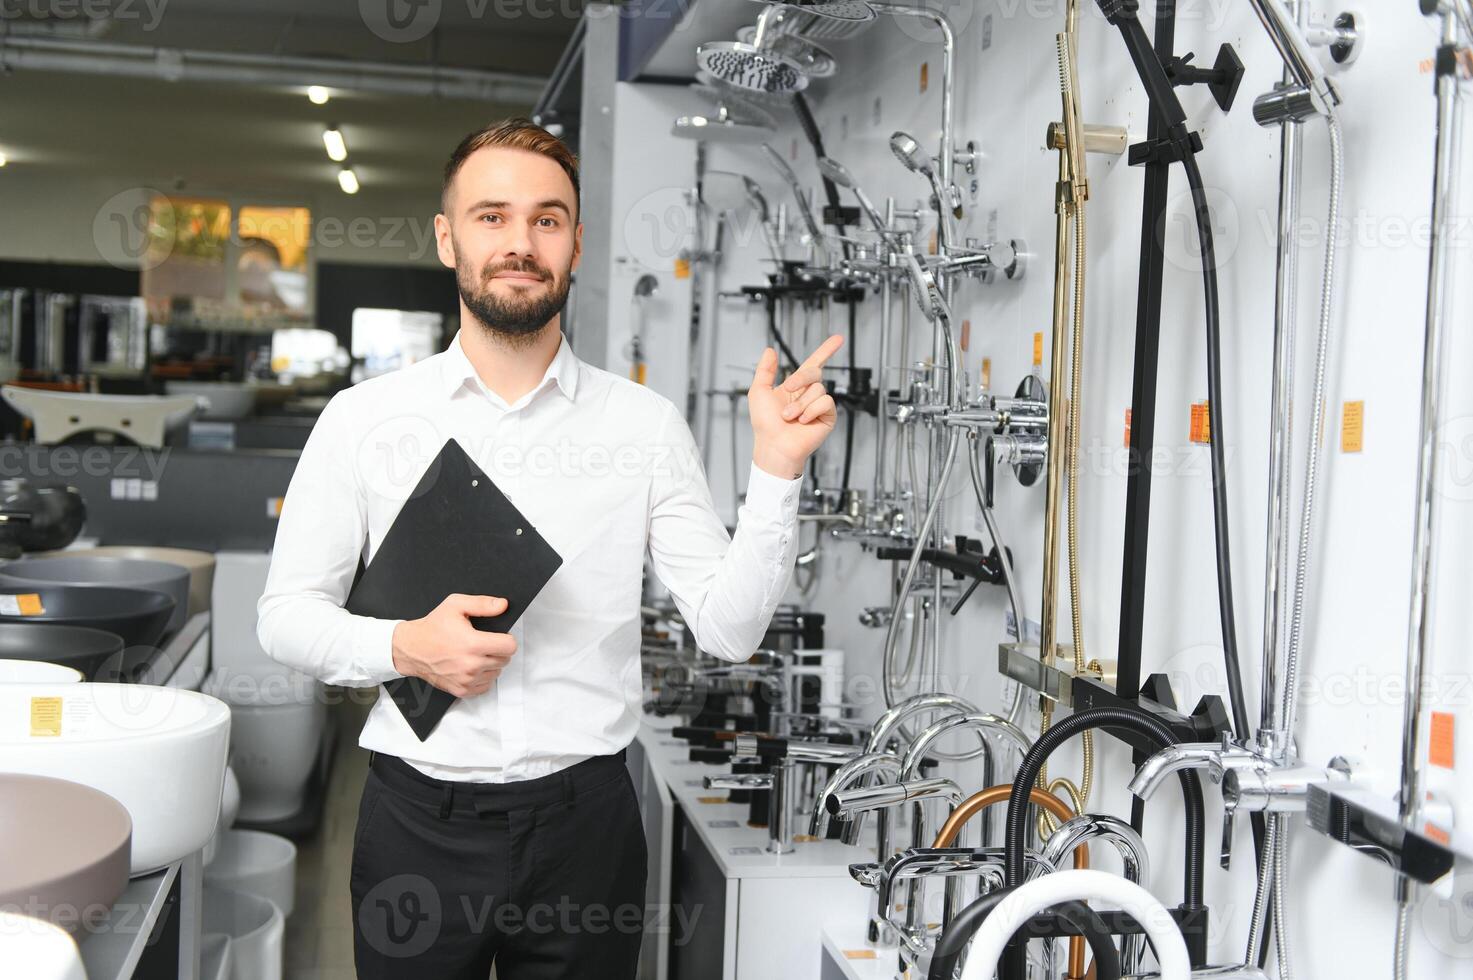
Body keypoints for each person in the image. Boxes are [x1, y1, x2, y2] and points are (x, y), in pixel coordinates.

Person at [257, 117, 844, 979]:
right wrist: (401, 645)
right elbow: (283, 620)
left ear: (575, 244)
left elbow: (729, 632)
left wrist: (776, 468)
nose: (520, 243)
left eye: (547, 218)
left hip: (587, 827)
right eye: (491, 216)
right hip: (416, 823)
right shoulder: (363, 420)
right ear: (446, 238)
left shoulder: (642, 425)